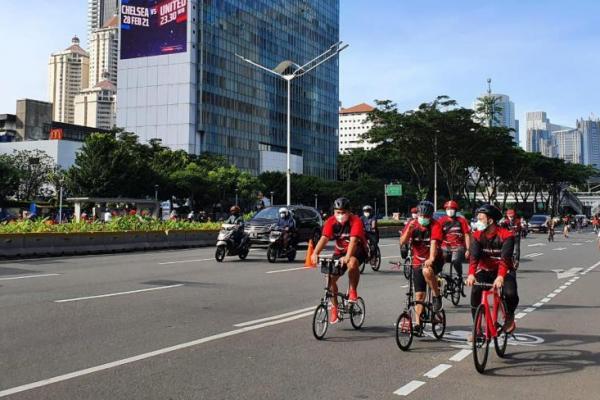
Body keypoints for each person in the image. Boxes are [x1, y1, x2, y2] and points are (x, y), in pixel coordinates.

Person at [311, 197, 368, 324]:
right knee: (330, 279)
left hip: (358, 250)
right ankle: (334, 308)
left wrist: (347, 257)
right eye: (338, 212)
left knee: (352, 262)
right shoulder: (331, 222)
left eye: (343, 212)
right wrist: (315, 253)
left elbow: (353, 241)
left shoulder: (356, 221)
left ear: (349, 212)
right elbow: (324, 238)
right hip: (340, 251)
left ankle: (353, 290)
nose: (340, 215)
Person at [467, 204, 519, 335]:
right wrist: (471, 274)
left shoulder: (507, 236)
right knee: (475, 290)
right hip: (485, 270)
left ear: (490, 220)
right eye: (477, 218)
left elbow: (505, 260)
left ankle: (509, 316)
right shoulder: (478, 236)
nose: (477, 222)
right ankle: (476, 328)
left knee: (510, 293)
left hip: (505, 270)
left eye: (481, 219)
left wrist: (501, 276)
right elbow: (474, 258)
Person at [400, 200, 444, 333]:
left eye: (426, 217)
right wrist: (409, 230)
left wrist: (431, 258)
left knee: (426, 270)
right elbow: (402, 242)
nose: (423, 219)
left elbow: (434, 243)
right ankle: (418, 324)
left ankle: (437, 296)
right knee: (419, 295)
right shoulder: (412, 224)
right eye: (421, 216)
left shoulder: (435, 225)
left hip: (434, 259)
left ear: (431, 217)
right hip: (417, 260)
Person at [437, 200, 471, 288]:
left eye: (452, 208)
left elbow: (467, 235)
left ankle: (459, 275)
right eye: (448, 209)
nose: (450, 210)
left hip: (458, 247)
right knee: (439, 259)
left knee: (455, 261)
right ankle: (439, 275)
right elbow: (437, 236)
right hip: (445, 246)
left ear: (456, 210)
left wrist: (468, 249)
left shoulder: (461, 221)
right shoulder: (441, 221)